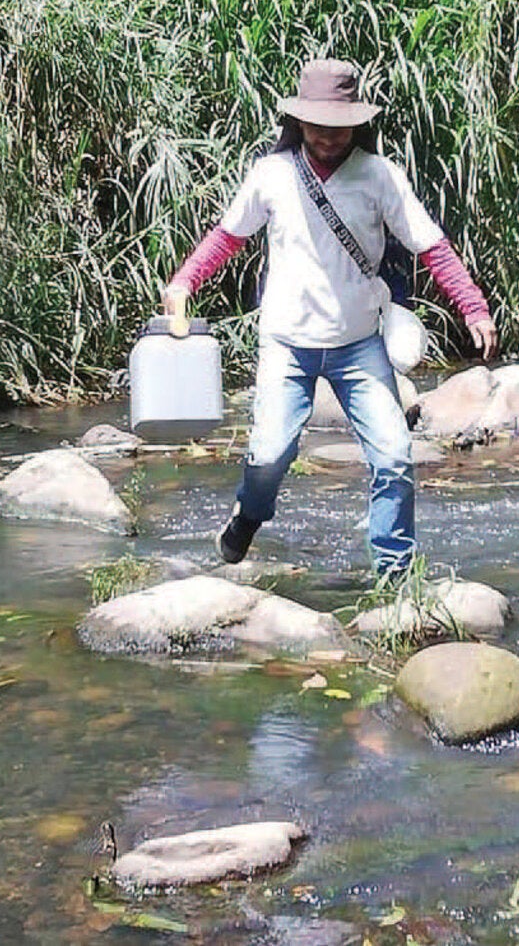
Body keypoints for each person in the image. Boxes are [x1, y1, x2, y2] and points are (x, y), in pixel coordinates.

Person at [161, 58, 497, 579]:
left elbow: (431, 245)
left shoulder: (380, 176)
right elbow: (227, 237)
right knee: (269, 455)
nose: (328, 138)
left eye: (339, 128)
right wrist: (184, 282)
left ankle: (394, 573)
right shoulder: (271, 174)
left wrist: (472, 306)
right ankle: (249, 516)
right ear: (297, 121)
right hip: (286, 344)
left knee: (393, 457)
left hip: (359, 344)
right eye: (317, 126)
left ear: (357, 124)